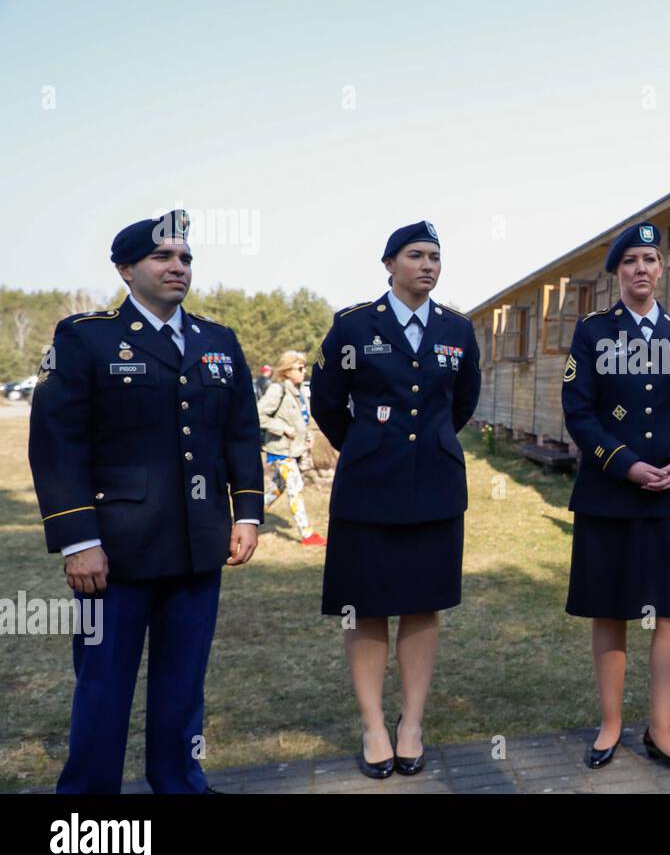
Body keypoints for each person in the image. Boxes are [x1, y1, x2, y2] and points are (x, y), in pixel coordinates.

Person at [29, 210, 263, 793]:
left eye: (186, 257)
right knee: (104, 685)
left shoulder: (218, 341)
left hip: (197, 546)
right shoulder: (85, 337)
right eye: (163, 257)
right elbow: (56, 445)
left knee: (183, 683)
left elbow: (239, 433)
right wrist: (79, 540)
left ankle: (180, 783)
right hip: (115, 554)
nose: (177, 267)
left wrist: (249, 512)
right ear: (126, 269)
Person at [310, 219, 480, 779]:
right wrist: (367, 445)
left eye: (435, 256)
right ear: (388, 265)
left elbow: (462, 403)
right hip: (367, 488)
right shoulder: (354, 327)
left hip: (434, 485)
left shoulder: (458, 329)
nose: (428, 264)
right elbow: (328, 401)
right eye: (415, 255)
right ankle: (373, 725)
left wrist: (427, 444)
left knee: (421, 602)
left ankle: (411, 723)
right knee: (365, 606)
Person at [561, 221, 670, 775]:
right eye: (630, 261)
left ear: (663, 268)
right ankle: (610, 725)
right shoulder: (593, 333)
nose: (641, 269)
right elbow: (578, 412)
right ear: (617, 273)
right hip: (610, 493)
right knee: (611, 609)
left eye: (649, 259)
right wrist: (626, 466)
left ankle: (663, 730)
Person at [259, 350, 325, 546]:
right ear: (287, 371)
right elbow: (259, 414)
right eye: (300, 367)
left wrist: (307, 437)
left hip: (292, 450)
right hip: (280, 451)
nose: (304, 371)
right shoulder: (277, 390)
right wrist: (283, 429)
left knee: (276, 491)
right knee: (296, 487)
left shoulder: (296, 392)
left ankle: (245, 518)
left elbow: (299, 420)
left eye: (305, 367)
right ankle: (307, 534)